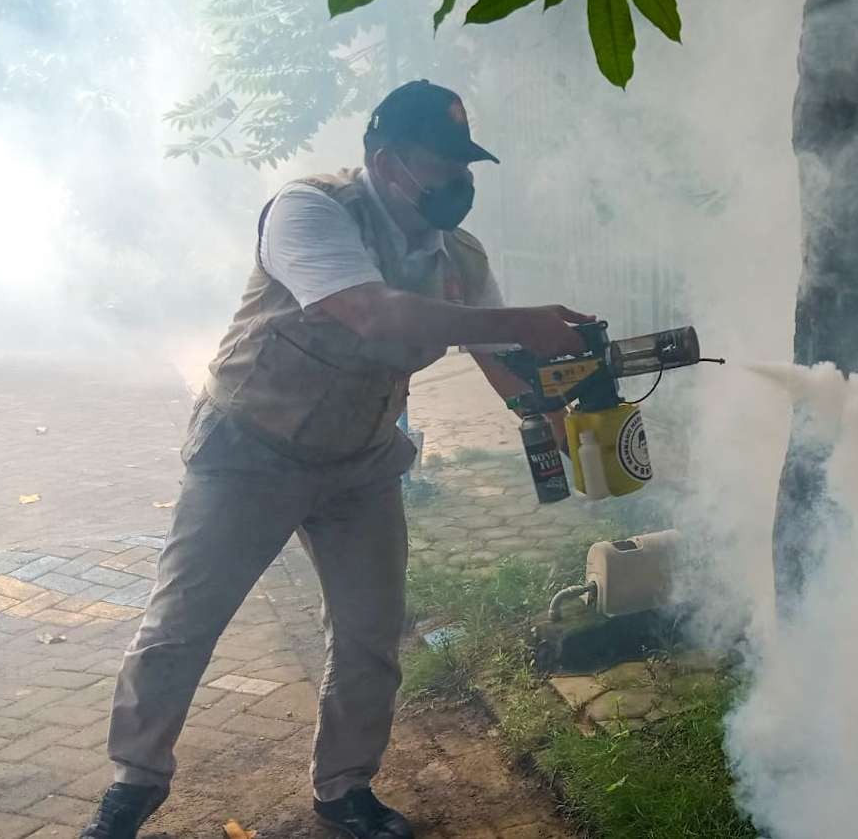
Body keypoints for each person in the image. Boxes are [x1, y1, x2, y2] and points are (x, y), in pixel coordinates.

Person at [79, 80, 591, 839]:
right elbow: (364, 308)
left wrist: (553, 416)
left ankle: (345, 787)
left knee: (370, 632)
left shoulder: (457, 253)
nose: (460, 182)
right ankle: (134, 783)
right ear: (387, 164)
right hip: (250, 450)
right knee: (183, 625)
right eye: (442, 165)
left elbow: (497, 353)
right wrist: (522, 319)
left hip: (361, 461)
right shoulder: (311, 211)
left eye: (466, 164)